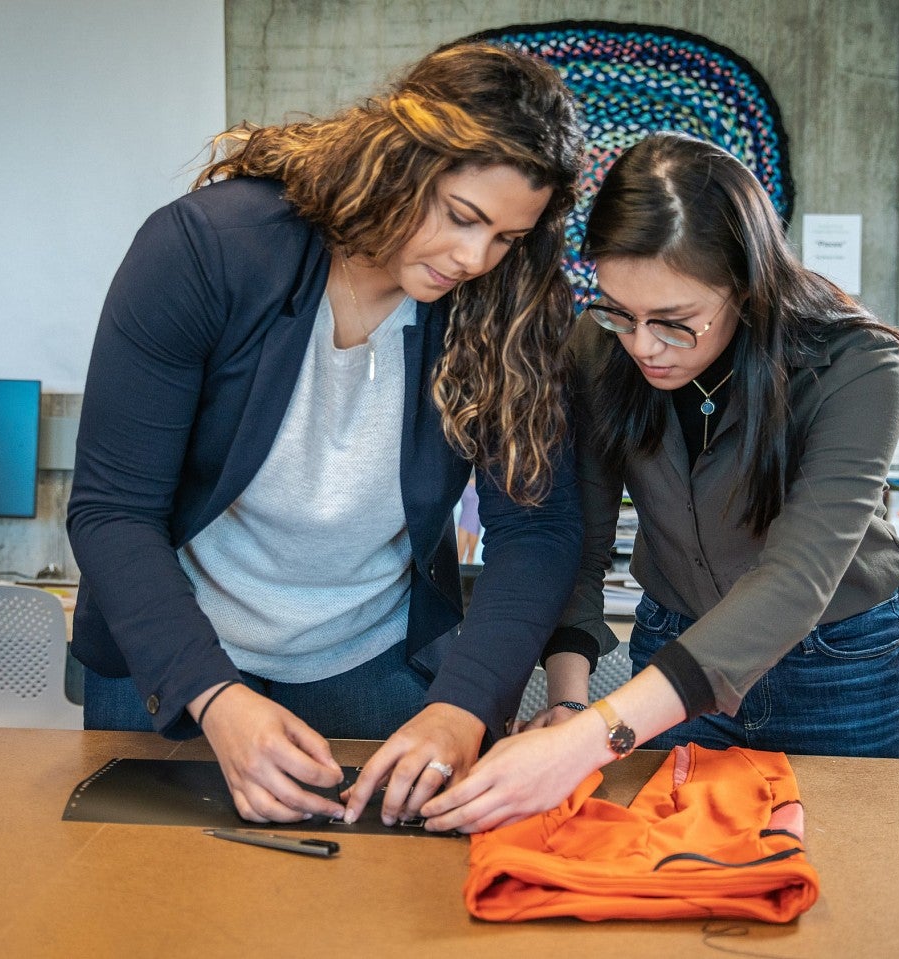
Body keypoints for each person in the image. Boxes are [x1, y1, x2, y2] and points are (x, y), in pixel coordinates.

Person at [66, 41, 585, 828]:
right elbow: (112, 510)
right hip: (176, 648)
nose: (475, 258)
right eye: (462, 216)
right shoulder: (205, 251)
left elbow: (538, 531)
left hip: (372, 664)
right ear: (399, 160)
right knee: (148, 915)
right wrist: (214, 696)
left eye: (508, 237)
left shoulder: (511, 305)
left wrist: (465, 707)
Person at [422, 133, 899, 834]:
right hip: (673, 651)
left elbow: (796, 579)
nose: (642, 345)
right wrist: (569, 699)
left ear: (746, 285)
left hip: (833, 663)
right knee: (671, 864)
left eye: (675, 322)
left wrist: (585, 740)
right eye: (620, 311)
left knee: (844, 872)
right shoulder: (600, 350)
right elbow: (581, 540)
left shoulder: (857, 366)